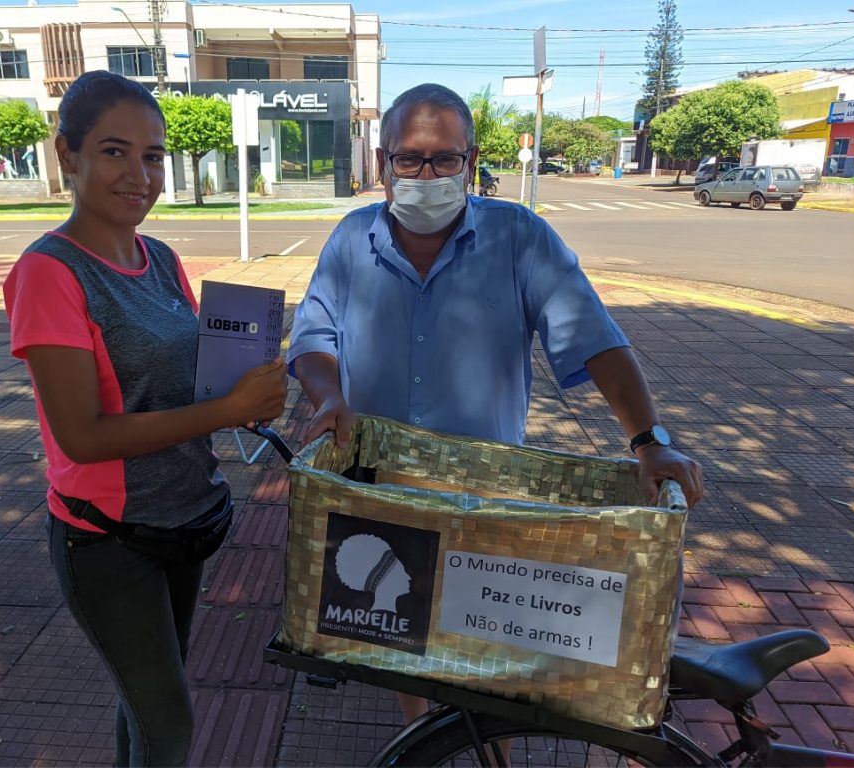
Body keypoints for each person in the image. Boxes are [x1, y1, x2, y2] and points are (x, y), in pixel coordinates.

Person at [287, 83, 703, 742]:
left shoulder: (520, 239)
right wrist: (329, 396)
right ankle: (422, 745)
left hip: (486, 493)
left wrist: (649, 439)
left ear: (472, 160)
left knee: (487, 655)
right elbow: (314, 336)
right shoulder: (349, 240)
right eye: (410, 159)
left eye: (445, 159)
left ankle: (483, 750)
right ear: (383, 165)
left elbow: (595, 340)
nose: (426, 175)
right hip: (385, 494)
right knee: (403, 645)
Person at [2, 70, 287, 767]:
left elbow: (179, 385)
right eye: (113, 151)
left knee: (147, 705)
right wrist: (224, 408)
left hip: (181, 518)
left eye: (153, 155)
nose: (139, 174)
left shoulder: (159, 258)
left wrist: (240, 390)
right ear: (67, 155)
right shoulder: (49, 273)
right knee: (170, 724)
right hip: (107, 540)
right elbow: (84, 436)